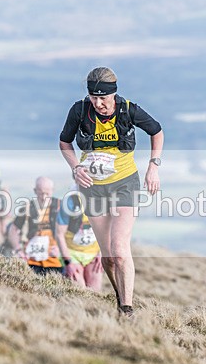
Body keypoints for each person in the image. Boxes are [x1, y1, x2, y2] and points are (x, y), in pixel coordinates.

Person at [58, 67, 163, 317]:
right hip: (92, 188)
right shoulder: (79, 110)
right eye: (94, 98)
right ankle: (119, 297)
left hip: (125, 184)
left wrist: (153, 167)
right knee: (107, 257)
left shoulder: (128, 110)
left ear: (113, 94)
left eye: (103, 98)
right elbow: (64, 142)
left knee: (119, 248)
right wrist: (76, 168)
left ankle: (127, 309)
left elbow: (157, 132)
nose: (98, 103)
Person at [6, 176, 64, 276]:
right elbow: (13, 229)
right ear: (35, 191)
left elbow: (73, 231)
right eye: (41, 193)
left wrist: (62, 249)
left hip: (56, 260)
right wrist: (18, 250)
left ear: (53, 190)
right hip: (31, 260)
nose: (44, 196)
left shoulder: (61, 206)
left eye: (47, 193)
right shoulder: (27, 207)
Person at [55, 186, 103, 291]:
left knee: (95, 292)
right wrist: (68, 263)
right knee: (79, 291)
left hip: (93, 254)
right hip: (72, 253)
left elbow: (106, 229)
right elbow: (59, 234)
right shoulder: (70, 201)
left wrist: (102, 253)